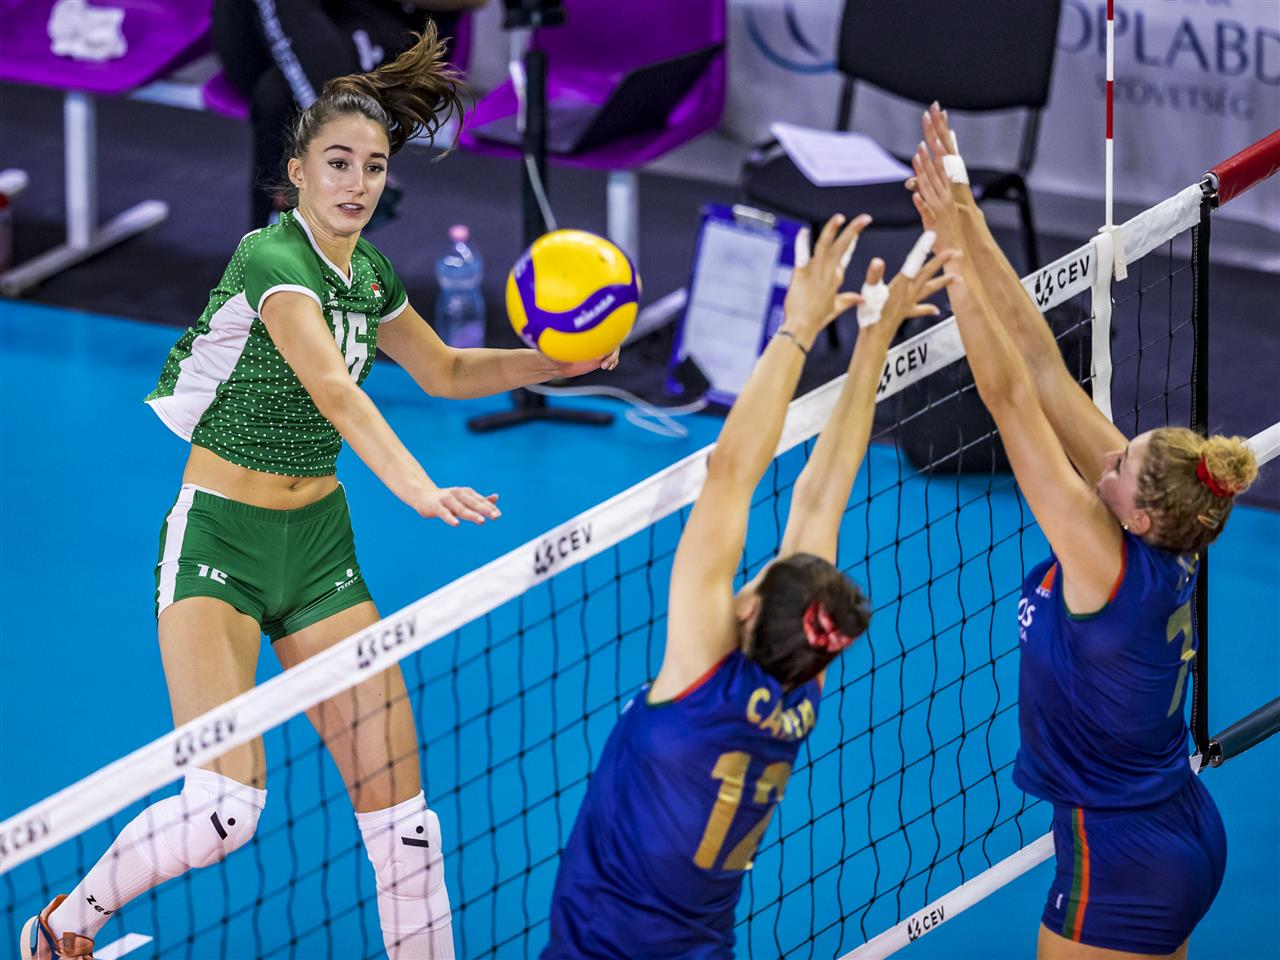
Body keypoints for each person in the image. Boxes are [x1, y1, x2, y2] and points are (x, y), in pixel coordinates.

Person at [20, 27, 616, 960]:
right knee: (222, 815)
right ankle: (64, 926)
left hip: (320, 554)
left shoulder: (368, 275)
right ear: (296, 172)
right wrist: (418, 488)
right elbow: (335, 390)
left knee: (407, 829)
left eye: (374, 167)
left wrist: (558, 363)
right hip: (219, 546)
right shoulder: (273, 260)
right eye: (338, 163)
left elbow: (447, 370)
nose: (357, 183)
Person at [541, 214, 953, 959]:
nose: (755, 568)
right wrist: (872, 339)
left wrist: (798, 327)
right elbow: (821, 497)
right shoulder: (802, 675)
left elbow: (733, 470)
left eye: (758, 575)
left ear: (751, 607)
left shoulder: (702, 675)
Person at [910, 104, 1259, 960]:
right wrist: (966, 214)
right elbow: (1040, 363)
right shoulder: (1168, 520)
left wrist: (952, 268)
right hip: (1180, 828)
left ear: (1137, 515)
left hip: (1121, 861)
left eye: (1117, 467)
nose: (1105, 458)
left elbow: (1008, 400)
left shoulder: (1103, 561)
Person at [213, 0, 488, 228]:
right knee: (286, 85)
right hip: (263, 33)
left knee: (277, 94)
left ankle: (269, 259)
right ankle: (349, 154)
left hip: (384, 28)